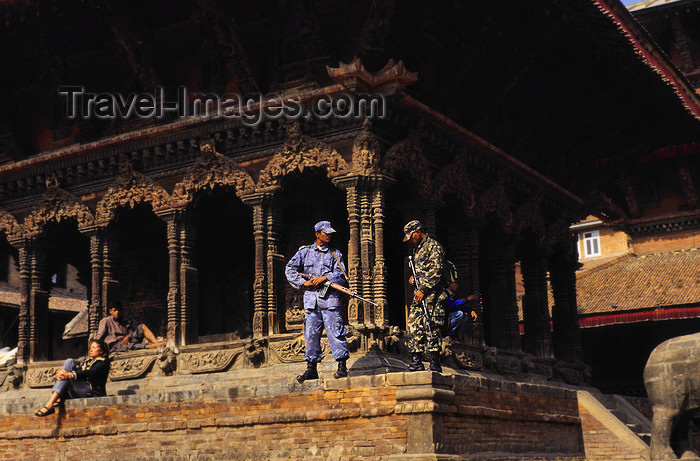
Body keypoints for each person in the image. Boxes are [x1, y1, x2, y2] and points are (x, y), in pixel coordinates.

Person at [285, 220, 350, 382]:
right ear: (317, 234)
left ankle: (342, 366)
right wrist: (303, 283)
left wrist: (325, 278)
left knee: (335, 332)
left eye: (330, 233)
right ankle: (311, 368)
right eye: (325, 233)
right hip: (311, 302)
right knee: (311, 335)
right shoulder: (304, 252)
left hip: (329, 301)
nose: (328, 235)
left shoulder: (335, 254)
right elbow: (290, 268)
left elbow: (342, 275)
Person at [404, 220, 446, 372]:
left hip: (432, 296)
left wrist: (423, 288)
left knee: (432, 326)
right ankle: (416, 361)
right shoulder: (416, 250)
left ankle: (435, 362)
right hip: (419, 296)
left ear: (417, 232)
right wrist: (414, 279)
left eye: (411, 236)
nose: (410, 240)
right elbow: (421, 270)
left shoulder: (434, 246)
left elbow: (436, 271)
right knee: (414, 324)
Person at [34, 338, 110, 417]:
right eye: (90, 348)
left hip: (92, 391)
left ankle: (50, 404)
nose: (91, 350)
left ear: (101, 351)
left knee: (67, 377)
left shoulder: (103, 362)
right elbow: (78, 371)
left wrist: (70, 375)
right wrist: (63, 373)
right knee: (69, 361)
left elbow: (90, 372)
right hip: (79, 388)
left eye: (94, 348)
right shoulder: (87, 361)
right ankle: (58, 397)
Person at [96, 303, 166, 353]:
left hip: (127, 340)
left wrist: (127, 337)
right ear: (110, 311)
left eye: (119, 311)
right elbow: (99, 337)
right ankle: (151, 346)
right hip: (116, 345)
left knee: (142, 326)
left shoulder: (123, 321)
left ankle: (157, 344)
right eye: (115, 310)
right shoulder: (105, 321)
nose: (117, 312)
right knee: (130, 346)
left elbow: (131, 332)